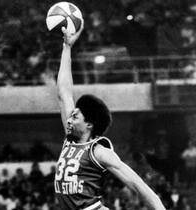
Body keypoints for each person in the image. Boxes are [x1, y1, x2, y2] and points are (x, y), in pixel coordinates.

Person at [54, 20, 166, 210]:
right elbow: (64, 92)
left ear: (89, 124)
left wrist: (158, 206)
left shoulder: (99, 151)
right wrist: (66, 47)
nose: (69, 119)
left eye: (75, 117)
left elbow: (137, 185)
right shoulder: (70, 140)